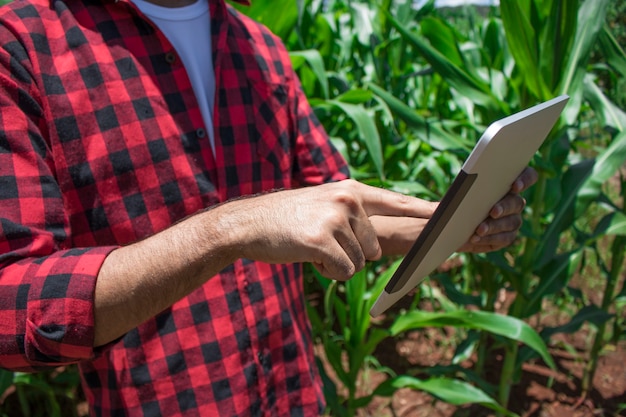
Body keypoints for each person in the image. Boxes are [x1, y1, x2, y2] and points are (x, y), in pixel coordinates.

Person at [0, 0, 536, 415]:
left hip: (293, 391)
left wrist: (454, 221)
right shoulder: (23, 44)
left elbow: (340, 213)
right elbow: (13, 304)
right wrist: (232, 227)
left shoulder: (260, 47)